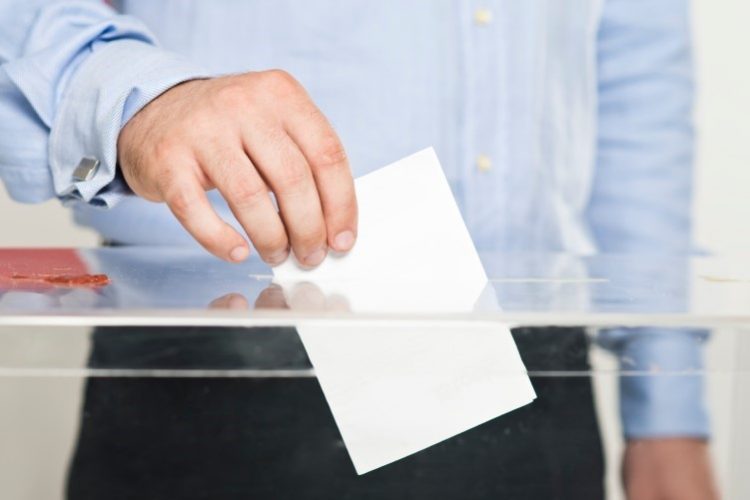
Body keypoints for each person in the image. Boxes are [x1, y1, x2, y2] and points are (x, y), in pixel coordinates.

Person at [0, 0, 718, 498]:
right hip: (224, 370)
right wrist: (141, 101)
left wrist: (667, 410)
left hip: (540, 379)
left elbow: (636, 72)